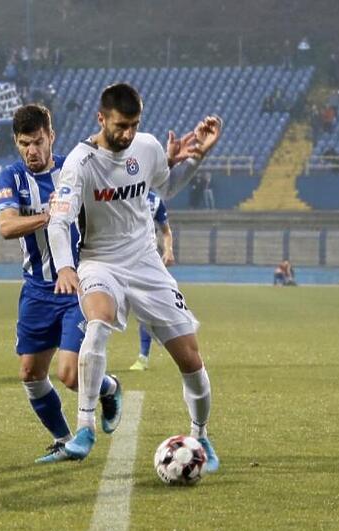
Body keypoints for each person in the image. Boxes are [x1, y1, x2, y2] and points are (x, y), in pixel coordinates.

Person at [47, 83, 222, 471]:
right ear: (101, 119)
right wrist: (64, 266)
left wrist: (197, 159)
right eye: (121, 125)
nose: (127, 134)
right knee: (97, 323)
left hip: (145, 262)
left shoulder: (147, 147)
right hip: (99, 262)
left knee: (190, 357)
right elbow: (58, 221)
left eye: (134, 125)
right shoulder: (79, 162)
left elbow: (168, 187)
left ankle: (202, 436)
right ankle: (85, 428)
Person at [0, 104, 122, 464]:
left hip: (77, 285)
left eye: (37, 142)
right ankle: (64, 439)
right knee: (31, 374)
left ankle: (109, 387)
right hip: (36, 290)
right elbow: (6, 226)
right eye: (24, 144)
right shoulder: (12, 177)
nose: (31, 151)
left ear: (51, 136)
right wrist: (48, 216)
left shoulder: (74, 169)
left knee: (68, 374)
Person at [130, 190, 175, 371]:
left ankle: (143, 356)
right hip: (115, 260)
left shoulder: (154, 200)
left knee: (145, 310)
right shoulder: (120, 191)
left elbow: (166, 231)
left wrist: (168, 250)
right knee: (104, 310)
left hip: (144, 263)